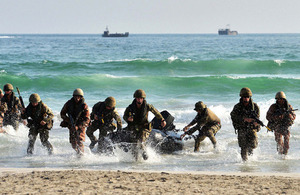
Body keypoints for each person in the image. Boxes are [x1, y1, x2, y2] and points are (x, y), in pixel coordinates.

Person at [123, 89, 166, 160]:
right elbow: (124, 116)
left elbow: (156, 113)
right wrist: (128, 119)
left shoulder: (147, 106)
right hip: (134, 128)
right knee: (134, 146)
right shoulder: (130, 107)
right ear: (135, 98)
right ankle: (136, 161)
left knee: (141, 141)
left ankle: (145, 156)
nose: (139, 100)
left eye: (141, 98)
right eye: (138, 98)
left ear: (143, 99)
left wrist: (162, 119)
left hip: (144, 127)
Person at [231, 87, 261, 161]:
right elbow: (233, 116)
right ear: (241, 97)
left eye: (247, 97)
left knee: (253, 145)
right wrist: (244, 119)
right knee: (243, 146)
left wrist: (255, 122)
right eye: (244, 97)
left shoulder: (255, 106)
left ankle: (251, 158)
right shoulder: (237, 107)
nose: (246, 99)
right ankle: (245, 162)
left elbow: (257, 117)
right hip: (242, 128)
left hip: (251, 128)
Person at [60, 88, 90, 155]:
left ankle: (82, 155)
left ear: (81, 97)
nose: (77, 98)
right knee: (73, 143)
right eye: (76, 96)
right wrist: (68, 121)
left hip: (81, 125)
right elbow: (62, 113)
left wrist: (78, 126)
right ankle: (77, 153)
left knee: (80, 141)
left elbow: (87, 119)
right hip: (72, 124)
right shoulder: (68, 104)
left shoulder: (84, 106)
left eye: (79, 97)